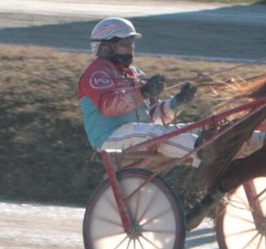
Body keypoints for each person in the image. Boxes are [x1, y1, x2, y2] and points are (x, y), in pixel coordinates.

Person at [76, 17, 201, 165]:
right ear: (104, 47)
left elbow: (154, 117)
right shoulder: (97, 73)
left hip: (140, 134)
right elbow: (108, 107)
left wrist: (179, 102)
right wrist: (143, 92)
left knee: (197, 130)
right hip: (109, 139)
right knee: (156, 133)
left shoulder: (136, 74)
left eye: (132, 42)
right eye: (124, 43)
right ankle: (202, 153)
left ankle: (208, 159)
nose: (131, 47)